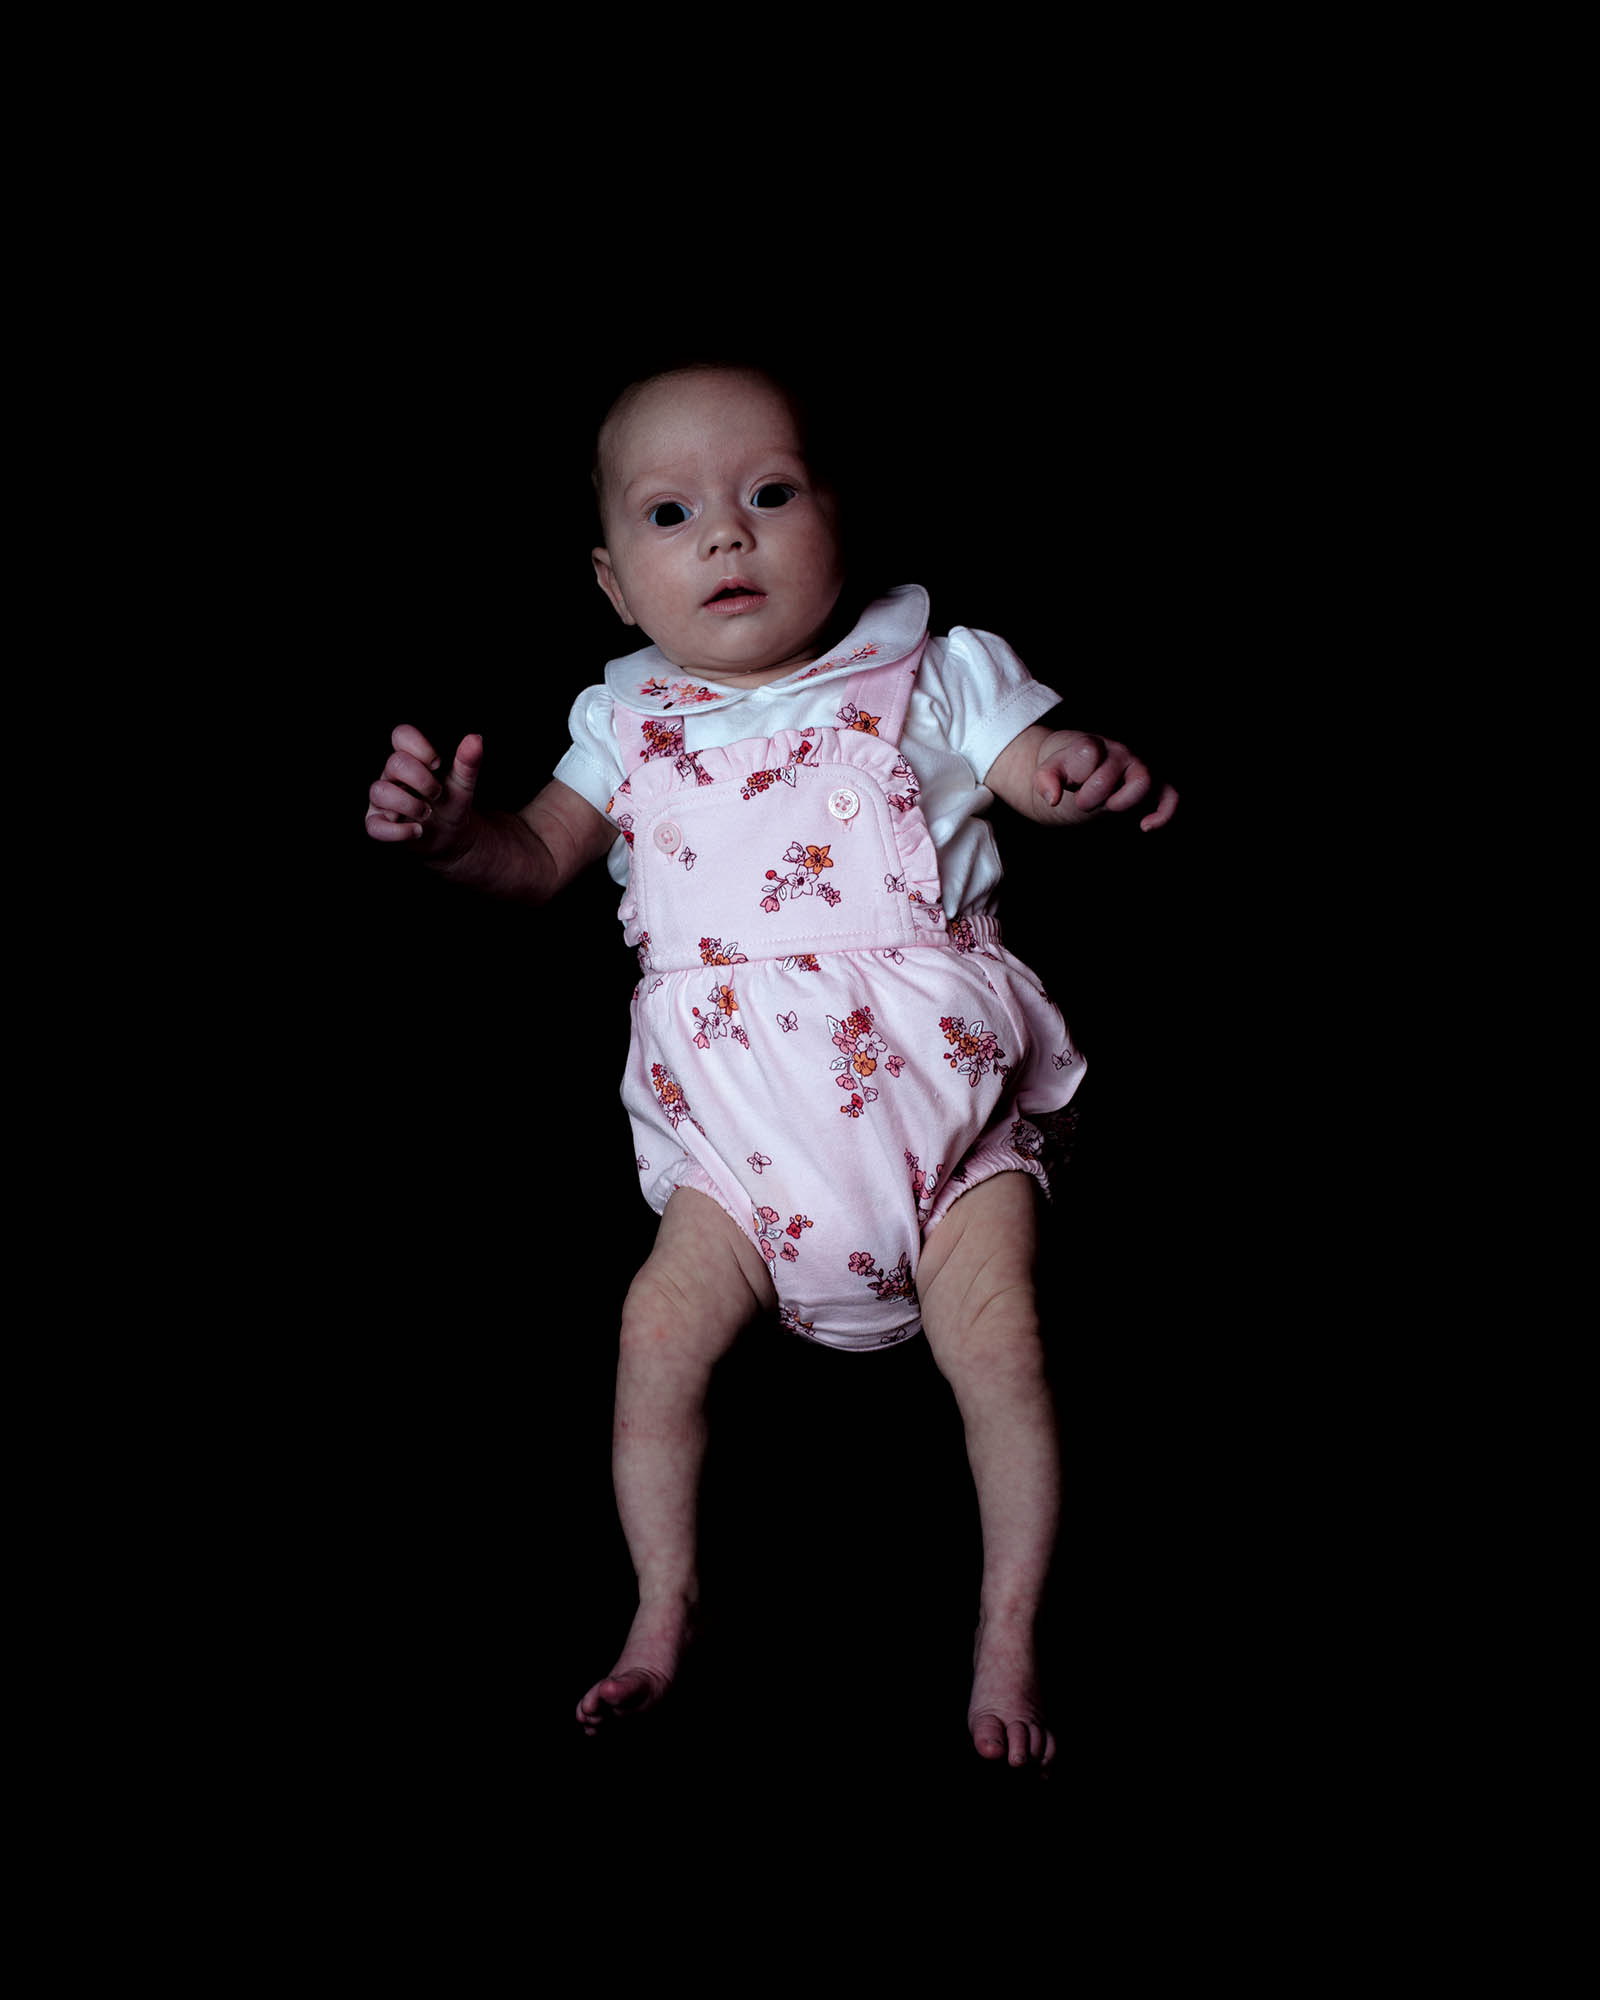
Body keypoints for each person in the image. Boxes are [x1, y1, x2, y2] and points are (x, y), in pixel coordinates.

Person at [364, 363, 1178, 1770]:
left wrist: (1078, 774)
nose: (729, 536)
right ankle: (659, 1612)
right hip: (739, 1152)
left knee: (1007, 1357)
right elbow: (537, 856)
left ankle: (1008, 1641)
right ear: (618, 584)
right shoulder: (625, 724)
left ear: (837, 520)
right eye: (676, 513)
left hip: (944, 1123)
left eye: (771, 494)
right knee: (653, 1339)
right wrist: (454, 837)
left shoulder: (932, 667)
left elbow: (1033, 762)